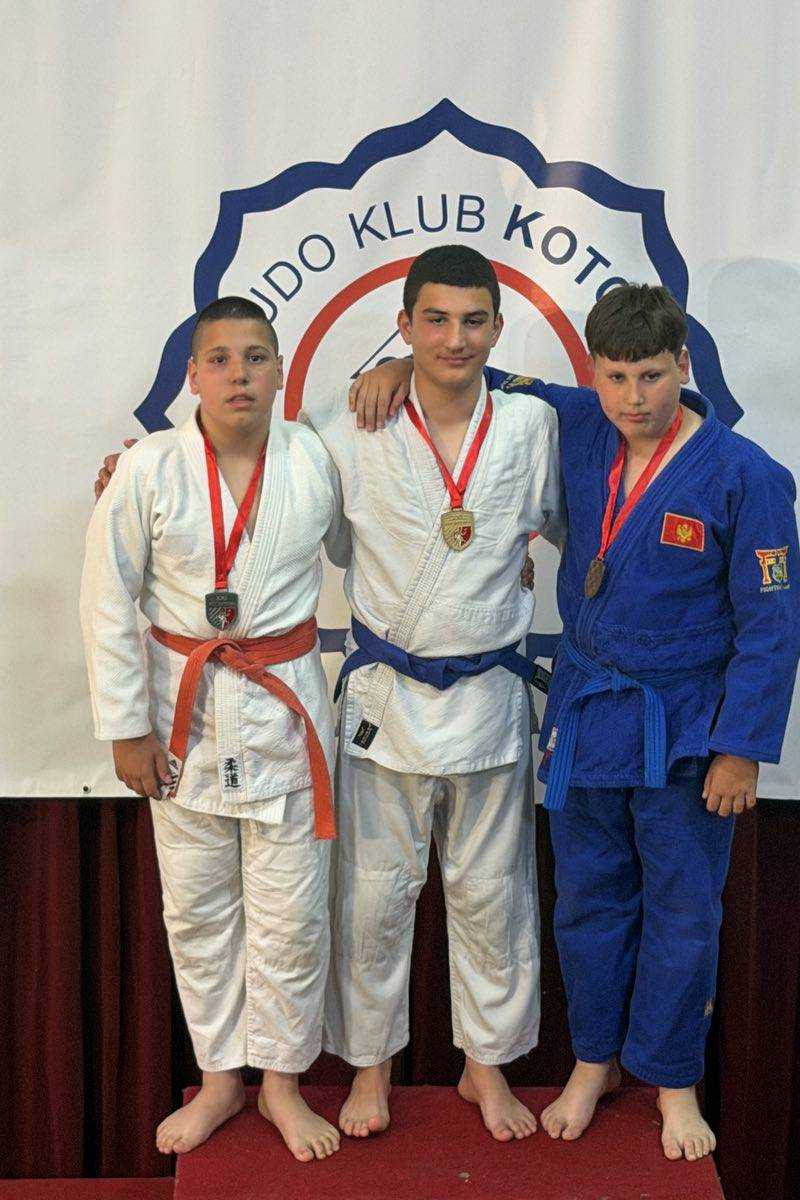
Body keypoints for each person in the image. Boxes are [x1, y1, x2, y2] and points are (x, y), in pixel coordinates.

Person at [354, 281, 800, 1161]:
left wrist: (741, 749)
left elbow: (771, 626)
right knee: (588, 904)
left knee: (683, 913)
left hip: (685, 727)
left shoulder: (747, 476)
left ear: (684, 365)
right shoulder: (579, 420)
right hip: (589, 718)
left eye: (652, 376)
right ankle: (593, 1063)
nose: (634, 398)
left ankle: (673, 1082)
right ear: (593, 373)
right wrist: (403, 365)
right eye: (616, 377)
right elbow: (474, 371)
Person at [81, 296, 350, 1162]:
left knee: (292, 916)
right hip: (181, 719)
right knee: (197, 912)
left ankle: (281, 1084)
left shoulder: (316, 456)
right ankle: (221, 1078)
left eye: (257, 357)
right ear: (193, 375)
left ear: (281, 371)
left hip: (285, 713)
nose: (241, 375)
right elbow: (107, 596)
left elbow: (371, 541)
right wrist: (125, 728)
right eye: (222, 359)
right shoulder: (149, 467)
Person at [309, 245, 563, 1142]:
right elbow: (276, 507)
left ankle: (485, 1067)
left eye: (474, 320)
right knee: (373, 895)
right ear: (405, 325)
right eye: (437, 320)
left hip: (489, 696)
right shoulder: (348, 428)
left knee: (494, 893)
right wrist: (147, 477)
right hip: (386, 699)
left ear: (498, 326)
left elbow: (594, 500)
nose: (456, 338)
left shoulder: (533, 425)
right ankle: (369, 1067)